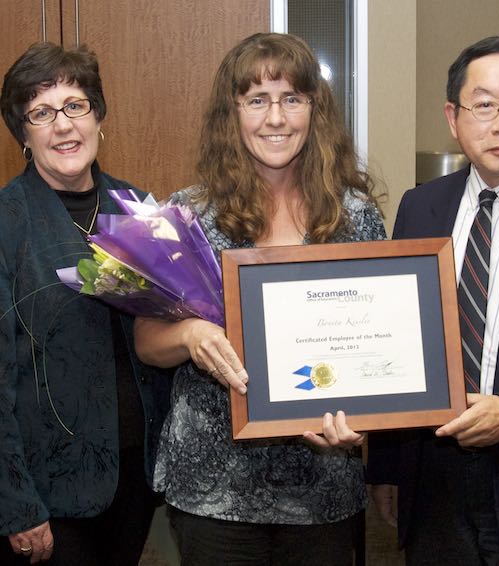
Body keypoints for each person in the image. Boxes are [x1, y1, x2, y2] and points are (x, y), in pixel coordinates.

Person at [134, 32, 386, 566]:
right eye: (257, 100)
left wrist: (362, 420)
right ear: (233, 114)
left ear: (315, 110)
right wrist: (190, 334)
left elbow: (378, 346)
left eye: (292, 98)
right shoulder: (189, 215)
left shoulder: (356, 216)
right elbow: (148, 344)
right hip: (214, 490)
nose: (276, 118)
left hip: (324, 490)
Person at [367, 36, 499, 565]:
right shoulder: (419, 207)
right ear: (453, 118)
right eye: (485, 105)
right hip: (433, 479)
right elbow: (394, 336)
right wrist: (385, 469)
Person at [0, 42, 170, 565]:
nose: (63, 126)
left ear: (98, 114)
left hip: (137, 478)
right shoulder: (8, 221)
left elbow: (172, 321)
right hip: (49, 492)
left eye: (75, 105)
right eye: (41, 113)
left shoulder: (140, 209)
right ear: (23, 134)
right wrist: (15, 503)